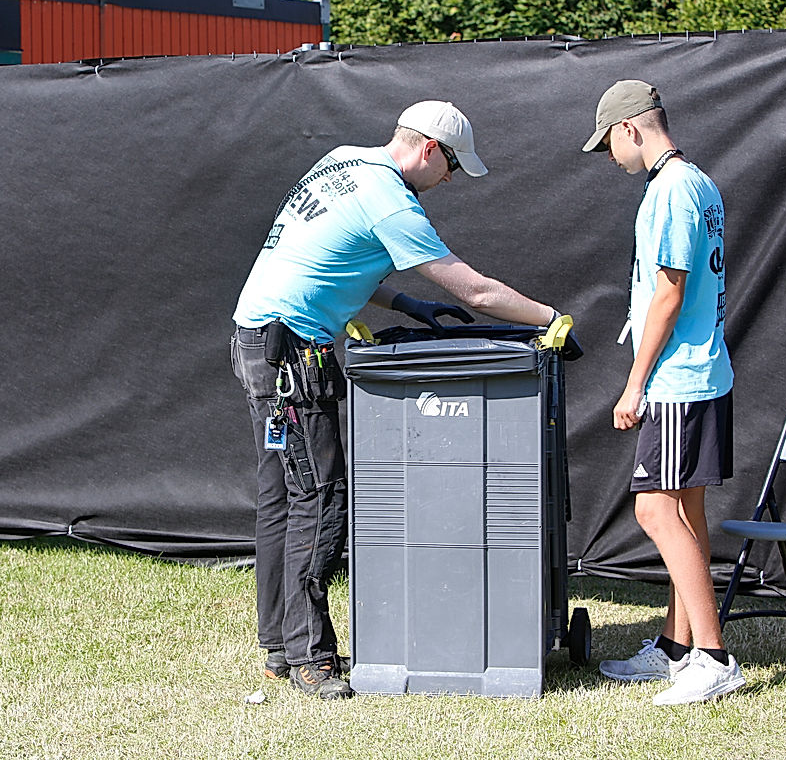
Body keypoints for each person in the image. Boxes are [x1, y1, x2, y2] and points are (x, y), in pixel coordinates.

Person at [231, 101, 561, 699]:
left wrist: (408, 306)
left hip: (255, 339)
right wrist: (552, 318)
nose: (452, 182)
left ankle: (279, 645)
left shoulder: (342, 162)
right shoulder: (392, 199)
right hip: (292, 356)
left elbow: (335, 259)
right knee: (321, 498)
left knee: (280, 497)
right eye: (455, 167)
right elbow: (478, 292)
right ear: (431, 149)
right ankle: (310, 658)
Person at [582, 80, 745, 705]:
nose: (612, 159)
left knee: (653, 510)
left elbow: (670, 291)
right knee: (685, 512)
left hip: (678, 378)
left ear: (631, 129)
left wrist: (635, 383)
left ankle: (713, 656)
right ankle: (677, 650)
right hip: (706, 371)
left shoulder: (672, 189)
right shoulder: (698, 182)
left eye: (610, 146)